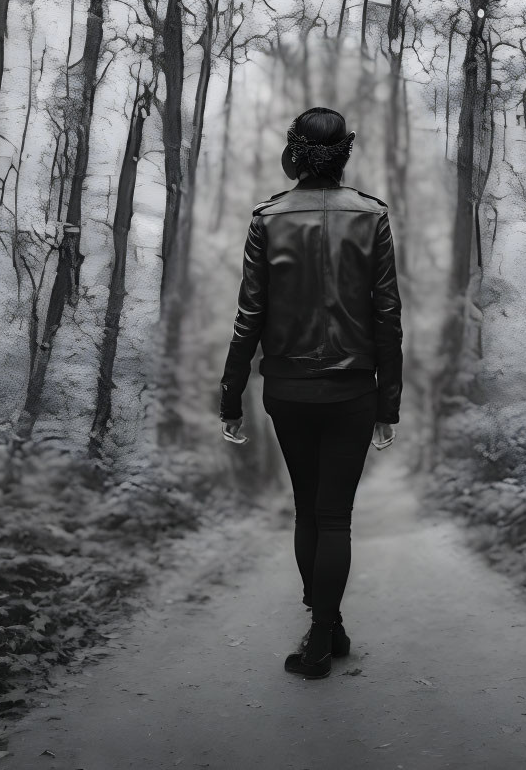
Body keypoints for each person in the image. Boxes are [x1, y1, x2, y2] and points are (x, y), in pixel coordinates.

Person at [218, 106, 404, 680]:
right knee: (334, 517)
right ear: (344, 153)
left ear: (294, 151)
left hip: (290, 391)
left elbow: (249, 316)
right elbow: (387, 316)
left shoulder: (268, 218)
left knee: (309, 509)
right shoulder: (371, 217)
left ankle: (323, 633)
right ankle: (328, 627)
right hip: (353, 392)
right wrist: (387, 403)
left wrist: (230, 395)